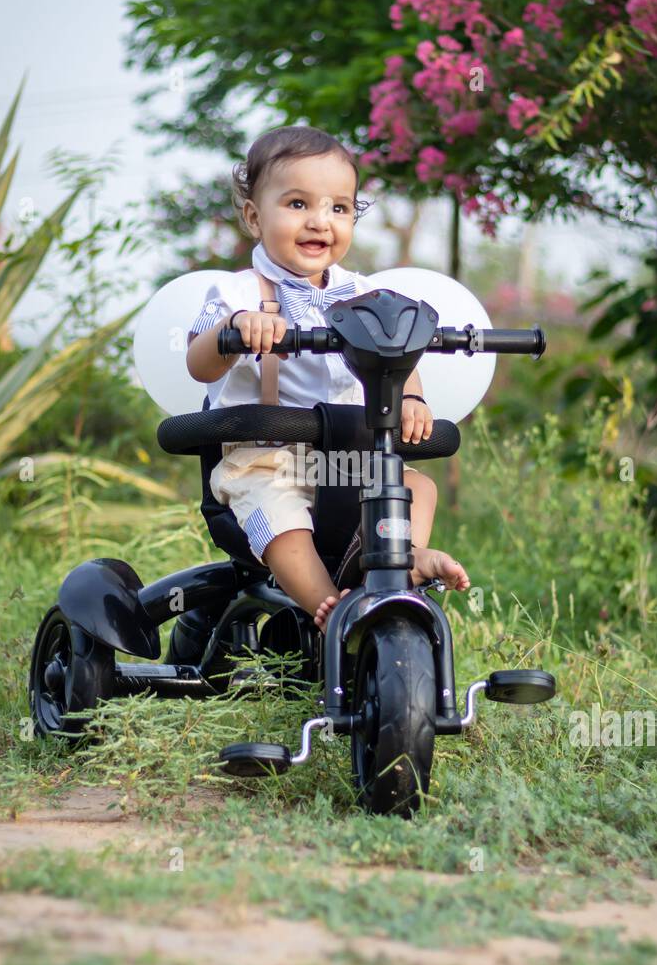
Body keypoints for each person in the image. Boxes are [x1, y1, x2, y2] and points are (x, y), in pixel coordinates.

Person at [186, 125, 470, 631]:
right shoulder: (237, 293)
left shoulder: (364, 295)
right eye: (297, 204)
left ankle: (406, 561)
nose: (320, 221)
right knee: (281, 516)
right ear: (254, 216)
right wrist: (234, 330)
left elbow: (399, 358)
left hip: (347, 460)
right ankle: (330, 607)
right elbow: (198, 362)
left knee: (413, 485)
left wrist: (410, 398)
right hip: (266, 459)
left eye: (339, 208)